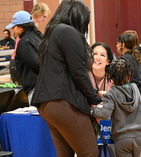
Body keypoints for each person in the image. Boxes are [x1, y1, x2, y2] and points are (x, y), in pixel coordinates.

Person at [31, 0, 100, 156]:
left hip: (48, 104)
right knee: (90, 153)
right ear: (78, 16)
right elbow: (78, 71)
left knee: (65, 154)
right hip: (62, 101)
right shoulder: (68, 32)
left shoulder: (53, 32)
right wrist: (94, 98)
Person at [91, 58, 141, 157]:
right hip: (139, 136)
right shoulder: (135, 88)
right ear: (129, 76)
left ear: (110, 76)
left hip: (122, 138)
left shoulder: (111, 94)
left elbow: (104, 114)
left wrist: (90, 110)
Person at [6, 11, 42, 102]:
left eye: (14, 26)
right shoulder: (37, 37)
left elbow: (37, 63)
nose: (13, 29)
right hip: (43, 85)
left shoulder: (25, 42)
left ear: (21, 28)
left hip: (36, 89)